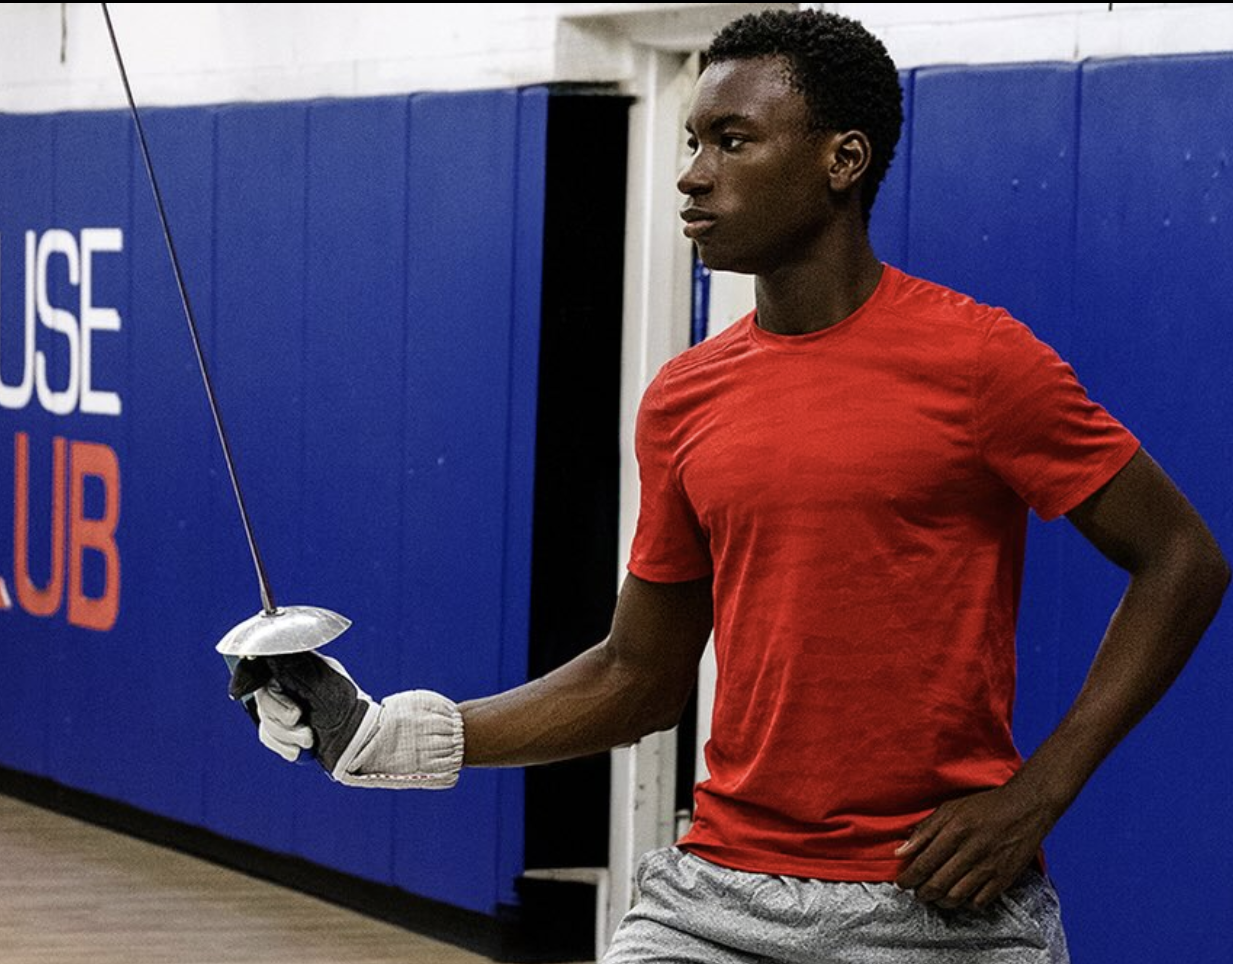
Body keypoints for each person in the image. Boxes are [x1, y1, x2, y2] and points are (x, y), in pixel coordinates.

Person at [232, 9, 1229, 963]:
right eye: (692, 141)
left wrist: (1037, 794)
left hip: (939, 904)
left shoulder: (981, 361)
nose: (691, 176)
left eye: (732, 142)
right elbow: (638, 676)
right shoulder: (683, 400)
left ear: (843, 160)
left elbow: (1182, 558)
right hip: (719, 897)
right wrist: (384, 733)